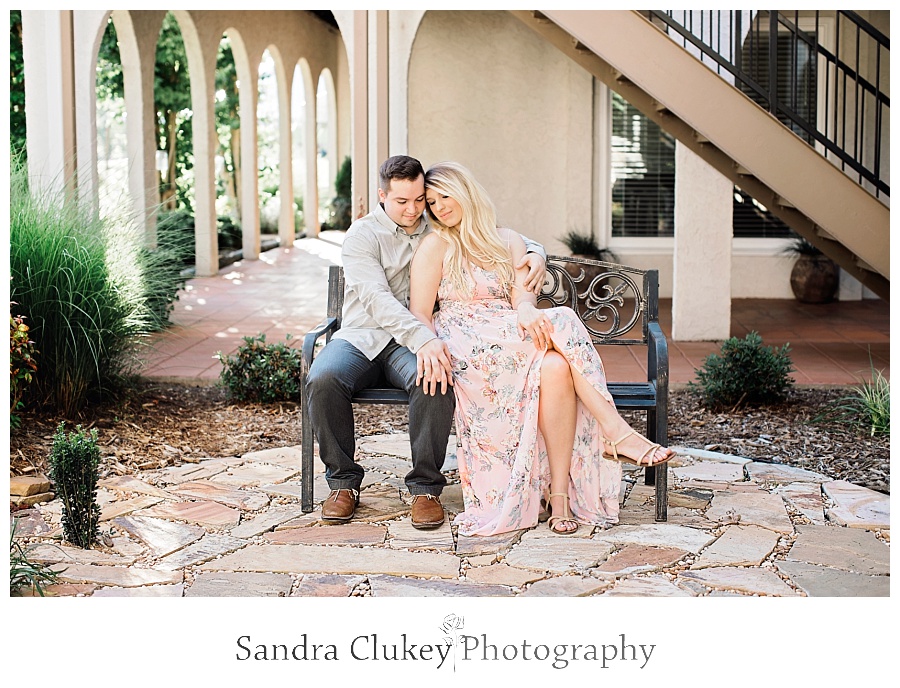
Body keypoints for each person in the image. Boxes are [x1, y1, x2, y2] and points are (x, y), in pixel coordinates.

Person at [409, 161, 673, 537]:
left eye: (445, 196)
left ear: (466, 191)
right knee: (563, 320)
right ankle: (615, 431)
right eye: (432, 202)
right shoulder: (436, 245)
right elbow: (420, 310)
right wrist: (429, 344)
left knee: (555, 367)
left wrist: (527, 310)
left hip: (509, 332)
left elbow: (522, 298)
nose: (439, 207)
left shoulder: (510, 241)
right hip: (467, 344)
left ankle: (561, 497)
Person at [305, 155, 548, 529]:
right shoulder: (362, 235)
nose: (414, 209)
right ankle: (343, 483)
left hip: (413, 342)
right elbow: (376, 300)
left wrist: (536, 251)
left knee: (435, 378)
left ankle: (425, 488)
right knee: (322, 378)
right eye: (402, 201)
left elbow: (486, 228)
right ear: (381, 195)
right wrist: (424, 339)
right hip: (363, 335)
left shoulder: (431, 221)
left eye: (420, 199)